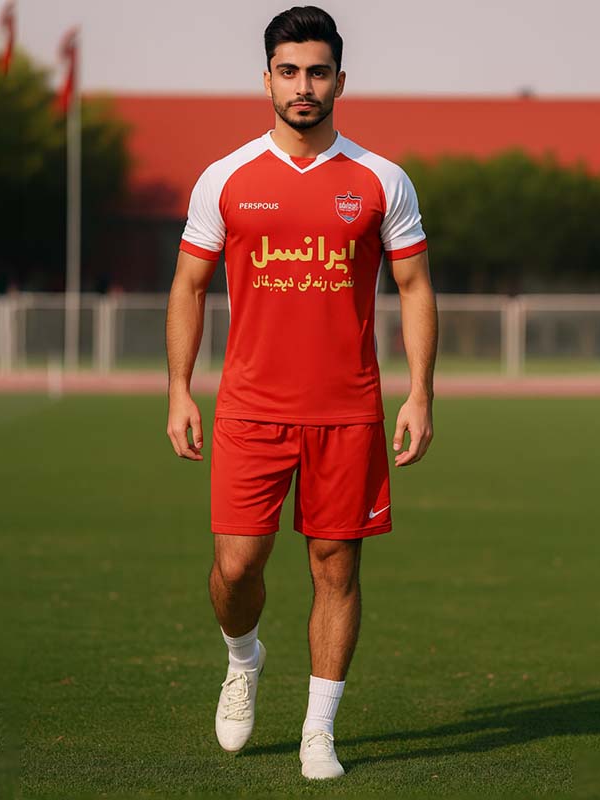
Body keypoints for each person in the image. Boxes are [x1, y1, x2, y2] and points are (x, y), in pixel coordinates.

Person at [166, 5, 438, 781]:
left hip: (347, 411)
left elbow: (415, 287)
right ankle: (242, 658)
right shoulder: (225, 178)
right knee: (236, 567)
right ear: (267, 80)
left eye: (318, 72)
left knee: (335, 568)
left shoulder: (381, 180)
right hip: (249, 409)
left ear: (340, 81)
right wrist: (179, 390)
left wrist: (420, 393)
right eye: (289, 72)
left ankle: (319, 730)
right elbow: (188, 286)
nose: (303, 86)